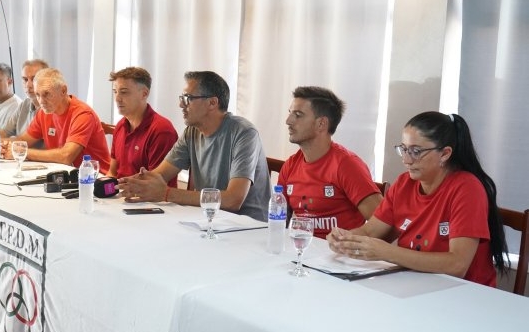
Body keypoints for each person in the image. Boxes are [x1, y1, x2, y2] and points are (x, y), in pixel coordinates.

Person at [327, 111, 509, 287]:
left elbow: (457, 265)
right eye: (404, 149)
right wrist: (344, 238)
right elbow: (370, 231)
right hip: (415, 284)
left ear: (445, 154)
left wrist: (387, 252)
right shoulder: (404, 183)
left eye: (416, 151)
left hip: (463, 293)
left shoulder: (467, 188)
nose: (406, 160)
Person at [117, 71, 271, 222]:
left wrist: (166, 193)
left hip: (247, 226)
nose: (181, 104)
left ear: (212, 103)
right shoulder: (192, 132)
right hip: (208, 220)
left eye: (188, 98)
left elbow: (233, 200)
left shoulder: (244, 133)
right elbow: (159, 175)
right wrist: (118, 185)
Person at [277, 86, 382, 238]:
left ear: (321, 124)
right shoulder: (290, 165)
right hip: (302, 248)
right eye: (290, 113)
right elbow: (278, 218)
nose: (288, 121)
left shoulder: (347, 165)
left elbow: (385, 224)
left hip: (337, 251)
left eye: (298, 115)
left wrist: (349, 241)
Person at [1, 68, 111, 172]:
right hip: (65, 174)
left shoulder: (83, 114)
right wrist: (4, 146)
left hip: (96, 178)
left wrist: (24, 152)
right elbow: (23, 140)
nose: (41, 101)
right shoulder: (44, 112)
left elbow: (66, 156)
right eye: (38, 94)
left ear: (63, 91)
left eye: (47, 94)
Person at [107, 67, 178, 187]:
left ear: (144, 94)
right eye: (115, 92)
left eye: (124, 92)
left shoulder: (161, 130)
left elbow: (154, 185)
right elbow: (112, 173)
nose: (117, 98)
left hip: (147, 197)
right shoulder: (120, 126)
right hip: (121, 194)